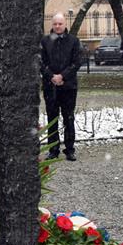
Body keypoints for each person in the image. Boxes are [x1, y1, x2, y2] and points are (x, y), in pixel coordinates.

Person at [40, 13, 82, 161]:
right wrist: (52, 76)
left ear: (65, 24)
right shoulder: (45, 41)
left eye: (60, 24)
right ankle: (53, 149)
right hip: (50, 86)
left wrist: (62, 76)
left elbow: (77, 62)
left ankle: (70, 149)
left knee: (68, 118)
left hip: (68, 87)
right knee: (52, 119)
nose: (57, 26)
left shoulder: (73, 41)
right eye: (55, 24)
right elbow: (41, 62)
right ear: (52, 25)